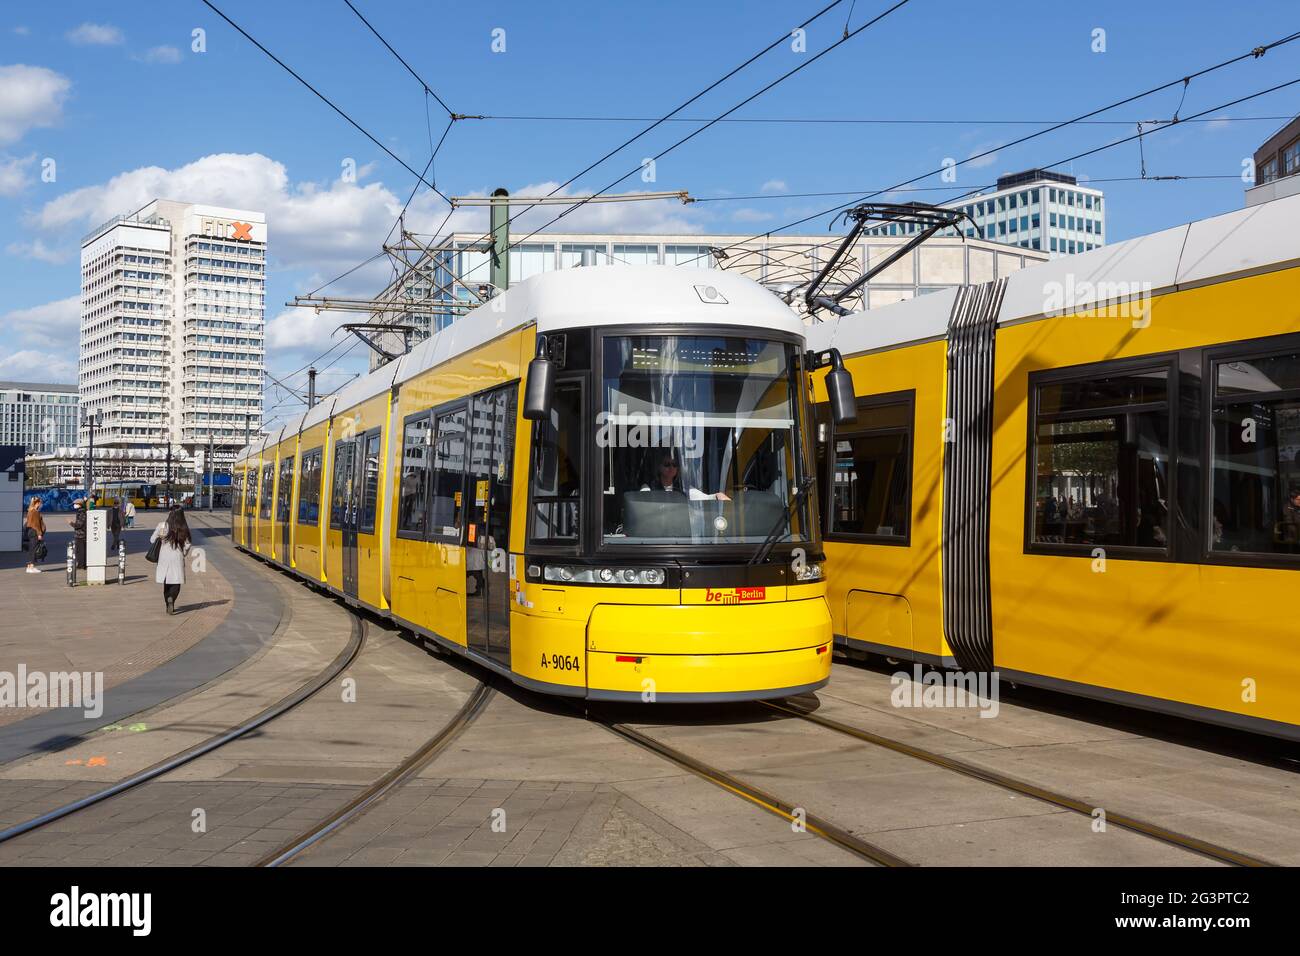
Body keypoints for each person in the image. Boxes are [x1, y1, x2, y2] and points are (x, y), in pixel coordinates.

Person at [150, 508, 193, 615]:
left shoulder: (162, 525)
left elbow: (152, 539)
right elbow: (187, 544)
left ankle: (168, 600)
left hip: (164, 557)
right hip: (177, 557)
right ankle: (172, 598)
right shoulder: (183, 528)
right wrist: (183, 553)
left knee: (166, 582)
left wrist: (160, 537)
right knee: (176, 582)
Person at [639, 453, 730, 501]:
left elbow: (705, 498)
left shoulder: (683, 489)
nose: (671, 468)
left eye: (674, 465)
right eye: (667, 464)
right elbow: (642, 502)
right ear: (659, 467)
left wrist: (717, 496)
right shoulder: (648, 487)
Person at [24, 498, 45, 574]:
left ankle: (29, 567)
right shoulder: (35, 512)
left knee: (31, 549)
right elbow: (36, 525)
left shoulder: (30, 511)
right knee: (34, 550)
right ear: (37, 503)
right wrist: (39, 534)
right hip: (34, 532)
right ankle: (32, 567)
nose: (41, 505)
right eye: (40, 503)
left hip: (30, 532)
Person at [69, 498, 87, 570]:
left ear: (80, 505)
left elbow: (79, 524)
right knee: (80, 550)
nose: (74, 505)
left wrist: (71, 523)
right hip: (81, 534)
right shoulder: (80, 512)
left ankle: (82, 565)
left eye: (76, 504)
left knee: (80, 550)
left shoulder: (82, 513)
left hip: (81, 534)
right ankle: (81, 564)